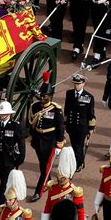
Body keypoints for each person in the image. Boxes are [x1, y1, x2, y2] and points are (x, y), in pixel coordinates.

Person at [28, 73, 65, 202]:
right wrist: (32, 137)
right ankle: (48, 182)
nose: (43, 98)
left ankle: (38, 191)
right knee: (42, 165)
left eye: (46, 96)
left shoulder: (56, 110)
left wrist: (59, 143)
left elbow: (60, 128)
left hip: (50, 142)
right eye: (42, 95)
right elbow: (32, 123)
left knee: (45, 168)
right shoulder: (36, 107)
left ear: (50, 97)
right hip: (38, 141)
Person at [0, 102, 25, 219]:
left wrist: (20, 159)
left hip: (9, 160)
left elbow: (21, 143)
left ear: (9, 114)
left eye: (3, 114)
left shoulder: (15, 126)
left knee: (3, 186)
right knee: (4, 184)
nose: (1, 116)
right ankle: (10, 203)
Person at [42, 147, 84, 220]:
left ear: (69, 177)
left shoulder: (74, 192)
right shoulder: (52, 188)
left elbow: (80, 211)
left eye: (63, 178)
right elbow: (48, 208)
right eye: (59, 177)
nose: (60, 180)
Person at [64, 74, 95, 172]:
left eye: (78, 84)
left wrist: (91, 128)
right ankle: (79, 161)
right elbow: (66, 110)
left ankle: (78, 164)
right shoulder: (69, 93)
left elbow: (91, 114)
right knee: (74, 145)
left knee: (78, 146)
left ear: (83, 84)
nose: (76, 86)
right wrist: (65, 124)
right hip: (71, 125)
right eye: (75, 83)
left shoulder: (88, 96)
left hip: (82, 127)